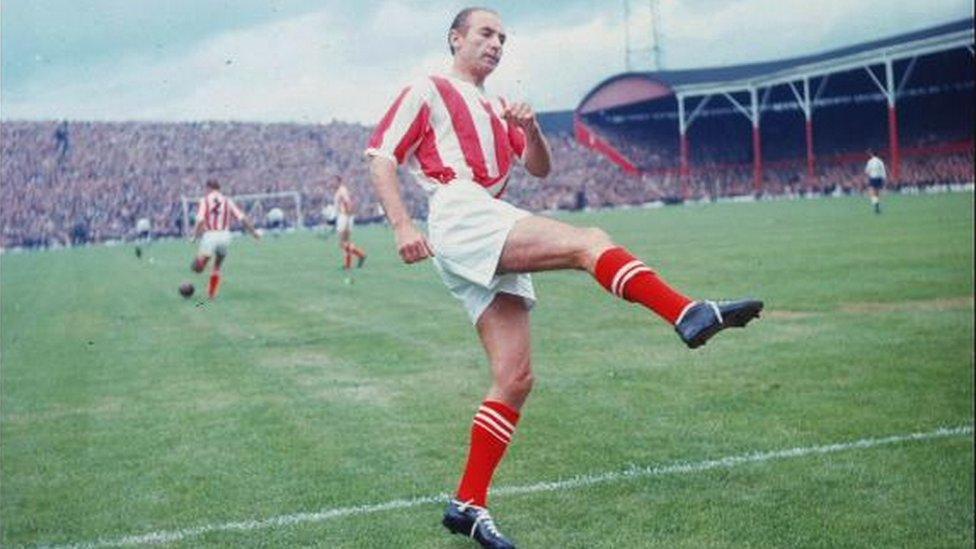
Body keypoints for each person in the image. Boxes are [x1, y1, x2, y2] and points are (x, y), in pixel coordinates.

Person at [364, 8, 763, 548]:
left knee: (515, 378)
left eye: (503, 37)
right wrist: (402, 224)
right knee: (588, 241)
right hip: (460, 211)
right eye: (485, 33)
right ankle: (687, 311)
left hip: (483, 216)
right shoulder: (429, 88)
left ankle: (468, 503)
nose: (496, 43)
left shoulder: (499, 109)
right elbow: (381, 156)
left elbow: (539, 168)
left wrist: (529, 130)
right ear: (455, 38)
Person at [190, 179, 260, 299]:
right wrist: (254, 233)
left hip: (210, 235)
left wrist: (195, 236)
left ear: (208, 188)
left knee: (197, 266)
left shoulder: (205, 200)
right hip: (225, 236)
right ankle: (211, 294)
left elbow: (200, 220)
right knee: (217, 266)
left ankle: (199, 268)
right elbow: (242, 218)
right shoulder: (227, 201)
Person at [333, 176, 367, 269]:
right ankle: (349, 264)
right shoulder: (340, 190)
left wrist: (347, 215)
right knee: (346, 242)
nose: (332, 183)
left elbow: (347, 202)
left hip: (344, 216)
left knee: (342, 243)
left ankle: (361, 255)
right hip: (345, 216)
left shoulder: (341, 190)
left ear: (338, 181)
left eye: (334, 181)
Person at [864, 149, 887, 214]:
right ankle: (877, 206)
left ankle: (876, 206)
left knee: (872, 193)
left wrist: (868, 177)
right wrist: (884, 180)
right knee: (877, 193)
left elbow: (867, 171)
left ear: (871, 154)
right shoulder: (880, 161)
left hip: (873, 178)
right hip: (879, 178)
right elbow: (883, 171)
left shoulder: (870, 161)